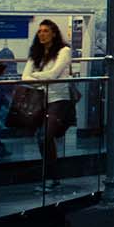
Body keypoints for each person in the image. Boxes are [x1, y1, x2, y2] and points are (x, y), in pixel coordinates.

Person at [23, 20, 74, 188]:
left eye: (45, 31)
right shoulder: (35, 53)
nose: (42, 34)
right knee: (43, 138)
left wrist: (36, 76)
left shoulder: (64, 51)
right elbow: (24, 77)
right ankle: (52, 176)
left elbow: (54, 74)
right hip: (40, 99)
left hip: (59, 98)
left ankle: (52, 177)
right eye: (40, 31)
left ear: (53, 33)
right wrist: (42, 78)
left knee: (45, 136)